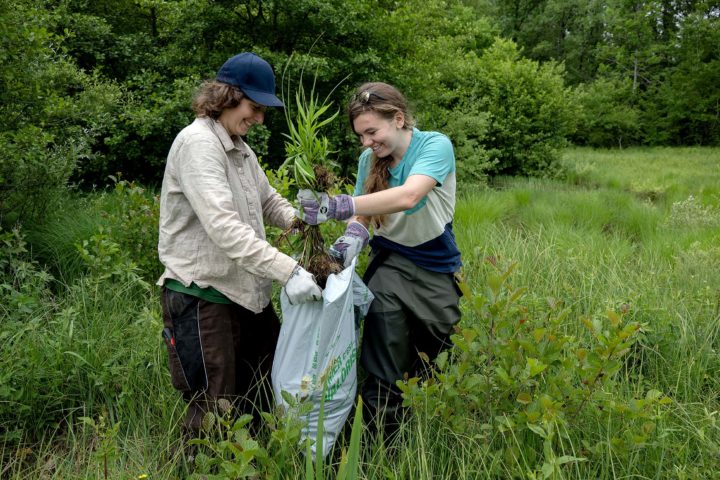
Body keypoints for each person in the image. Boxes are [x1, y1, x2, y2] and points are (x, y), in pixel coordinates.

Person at [157, 52, 322, 436]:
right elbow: (225, 228)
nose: (260, 118)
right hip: (205, 295)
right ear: (227, 96)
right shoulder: (198, 144)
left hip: (247, 293)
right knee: (214, 408)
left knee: (264, 392)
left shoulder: (238, 145)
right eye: (255, 107)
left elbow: (266, 200)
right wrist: (290, 270)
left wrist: (303, 223)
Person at [296, 82, 462, 439]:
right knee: (384, 362)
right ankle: (379, 444)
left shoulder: (435, 145)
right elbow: (364, 217)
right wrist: (350, 238)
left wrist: (340, 205)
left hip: (437, 265)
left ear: (398, 119)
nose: (366, 142)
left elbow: (409, 195)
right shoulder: (367, 160)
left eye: (372, 132)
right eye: (361, 135)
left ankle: (431, 435)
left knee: (441, 356)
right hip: (390, 264)